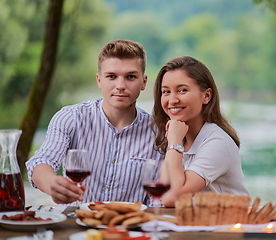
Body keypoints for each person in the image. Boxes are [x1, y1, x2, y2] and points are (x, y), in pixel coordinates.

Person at [26, 39, 163, 206]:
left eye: (131, 77)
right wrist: (50, 182)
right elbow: (42, 161)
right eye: (111, 76)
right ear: (99, 80)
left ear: (144, 82)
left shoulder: (157, 133)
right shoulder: (71, 118)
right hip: (75, 225)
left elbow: (156, 201)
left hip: (129, 229)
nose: (120, 85)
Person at [152, 56, 249, 207]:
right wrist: (175, 141)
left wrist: (174, 144)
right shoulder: (176, 134)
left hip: (229, 226)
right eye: (166, 92)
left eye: (182, 90)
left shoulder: (217, 143)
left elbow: (171, 198)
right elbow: (164, 194)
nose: (172, 100)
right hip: (195, 225)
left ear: (206, 96)